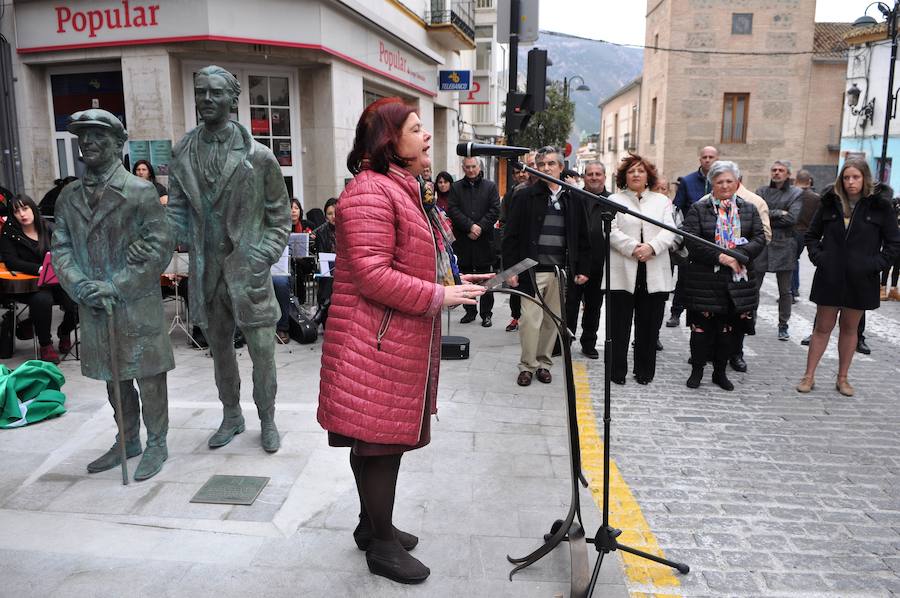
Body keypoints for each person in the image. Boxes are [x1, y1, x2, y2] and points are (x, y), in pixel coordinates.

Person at [317, 97, 488, 584]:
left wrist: (459, 279)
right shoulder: (371, 192)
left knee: (378, 442)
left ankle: (372, 525)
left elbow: (411, 260)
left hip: (389, 339)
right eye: (416, 128)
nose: (427, 135)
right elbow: (372, 276)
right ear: (391, 142)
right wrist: (441, 294)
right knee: (380, 445)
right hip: (374, 342)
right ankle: (382, 547)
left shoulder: (403, 188)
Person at [163, 65, 291, 453]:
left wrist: (261, 256)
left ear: (233, 100)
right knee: (219, 350)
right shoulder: (182, 150)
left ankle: (267, 418)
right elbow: (178, 211)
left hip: (247, 271)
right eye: (200, 92)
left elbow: (279, 217)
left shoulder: (260, 156)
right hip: (206, 271)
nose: (205, 99)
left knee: (263, 351)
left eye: (215, 93)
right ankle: (231, 415)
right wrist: (167, 236)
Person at [53, 108, 175, 481]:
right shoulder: (68, 196)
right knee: (113, 375)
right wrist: (80, 285)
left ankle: (157, 441)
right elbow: (60, 248)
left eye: (97, 135)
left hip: (135, 302)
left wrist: (116, 284)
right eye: (82, 135)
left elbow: (160, 246)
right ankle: (127, 438)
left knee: (148, 375)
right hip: (94, 304)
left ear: (118, 143)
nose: (87, 142)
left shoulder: (140, 192)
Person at [797, 159, 900, 396]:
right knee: (822, 328)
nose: (850, 182)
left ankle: (843, 378)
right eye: (846, 177)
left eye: (855, 177)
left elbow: (894, 243)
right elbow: (811, 236)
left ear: (865, 178)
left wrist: (874, 265)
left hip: (861, 279)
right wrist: (820, 258)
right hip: (829, 277)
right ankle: (808, 375)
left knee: (850, 329)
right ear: (840, 180)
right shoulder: (829, 203)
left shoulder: (880, 207)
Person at [503, 145, 591, 386]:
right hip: (531, 269)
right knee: (529, 321)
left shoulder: (574, 197)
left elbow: (583, 237)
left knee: (553, 321)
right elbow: (510, 235)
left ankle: (544, 364)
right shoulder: (524, 195)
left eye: (551, 164)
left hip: (560, 271)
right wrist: (511, 271)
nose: (545, 168)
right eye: (541, 165)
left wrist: (583, 268)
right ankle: (527, 366)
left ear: (561, 167)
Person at [680, 161, 766, 390]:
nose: (725, 185)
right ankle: (697, 370)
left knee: (728, 330)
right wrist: (721, 257)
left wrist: (738, 255)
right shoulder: (699, 208)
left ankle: (720, 372)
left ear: (737, 183)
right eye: (720, 181)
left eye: (729, 181)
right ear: (712, 184)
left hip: (736, 281)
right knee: (701, 330)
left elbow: (759, 238)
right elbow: (691, 239)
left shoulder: (748, 209)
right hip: (705, 280)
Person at [607, 153, 676, 385]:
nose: (636, 174)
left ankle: (645, 371)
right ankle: (617, 372)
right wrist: (633, 247)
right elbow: (609, 230)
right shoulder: (614, 200)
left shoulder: (662, 202)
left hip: (653, 270)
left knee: (648, 326)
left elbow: (670, 230)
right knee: (619, 326)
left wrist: (652, 248)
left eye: (641, 170)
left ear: (648, 176)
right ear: (624, 176)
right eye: (631, 171)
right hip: (623, 271)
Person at [0, 194, 78, 363]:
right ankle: (46, 345)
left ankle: (64, 331)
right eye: (17, 211)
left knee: (77, 299)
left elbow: (66, 249)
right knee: (42, 299)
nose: (22, 214)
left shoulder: (48, 227)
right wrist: (39, 269)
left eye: (25, 208)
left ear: (33, 209)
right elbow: (11, 261)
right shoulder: (9, 233)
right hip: (28, 285)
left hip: (56, 281)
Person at [668, 146, 719, 328]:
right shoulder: (688, 182)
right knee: (684, 277)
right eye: (704, 157)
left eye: (711, 157)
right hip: (691, 237)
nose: (707, 160)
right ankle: (676, 312)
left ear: (717, 158)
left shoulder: (721, 181)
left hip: (714, 239)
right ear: (700, 159)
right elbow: (677, 207)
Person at [447, 156, 500, 327]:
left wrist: (480, 227)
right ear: (463, 168)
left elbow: (495, 210)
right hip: (464, 240)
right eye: (467, 167)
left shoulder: (490, 186)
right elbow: (453, 209)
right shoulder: (455, 187)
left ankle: (486, 314)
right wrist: (470, 226)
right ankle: (470, 311)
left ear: (479, 167)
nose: (470, 170)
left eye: (473, 166)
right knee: (466, 277)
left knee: (486, 279)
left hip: (484, 241)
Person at [756, 160, 802, 341]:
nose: (776, 173)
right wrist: (778, 213)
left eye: (781, 170)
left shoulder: (796, 193)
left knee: (785, 291)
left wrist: (769, 214)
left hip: (785, 245)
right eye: (774, 169)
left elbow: (792, 218)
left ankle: (783, 324)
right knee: (754, 287)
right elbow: (758, 214)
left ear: (788, 174)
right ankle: (749, 319)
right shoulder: (761, 191)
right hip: (763, 243)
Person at [570, 160, 608, 359]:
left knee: (594, 306)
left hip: (600, 264)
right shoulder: (574, 197)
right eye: (590, 174)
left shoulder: (612, 201)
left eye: (597, 174)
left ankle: (589, 342)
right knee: (570, 305)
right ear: (584, 177)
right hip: (575, 262)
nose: (593, 177)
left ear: (604, 177)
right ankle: (565, 341)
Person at [499, 151, 536, 332]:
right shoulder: (512, 194)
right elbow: (505, 220)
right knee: (515, 284)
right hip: (516, 246)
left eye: (525, 170)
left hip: (533, 250)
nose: (522, 174)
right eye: (518, 172)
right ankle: (515, 317)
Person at [792, 170, 819, 301]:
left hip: (791, 231)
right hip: (806, 232)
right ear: (809, 182)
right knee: (795, 259)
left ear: (796, 180)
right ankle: (794, 288)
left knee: (791, 261)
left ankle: (792, 289)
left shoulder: (791, 195)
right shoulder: (815, 198)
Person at [312, 197, 337, 327]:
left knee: (332, 276)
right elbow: (322, 256)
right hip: (330, 268)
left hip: (347, 268)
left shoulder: (348, 228)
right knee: (328, 275)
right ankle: (324, 307)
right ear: (325, 215)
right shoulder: (322, 231)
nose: (333, 216)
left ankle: (322, 309)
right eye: (329, 213)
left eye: (336, 212)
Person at [880, 193, 900, 301]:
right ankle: (882, 288)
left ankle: (893, 289)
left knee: (897, 266)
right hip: (891, 241)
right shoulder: (893, 204)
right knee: (887, 265)